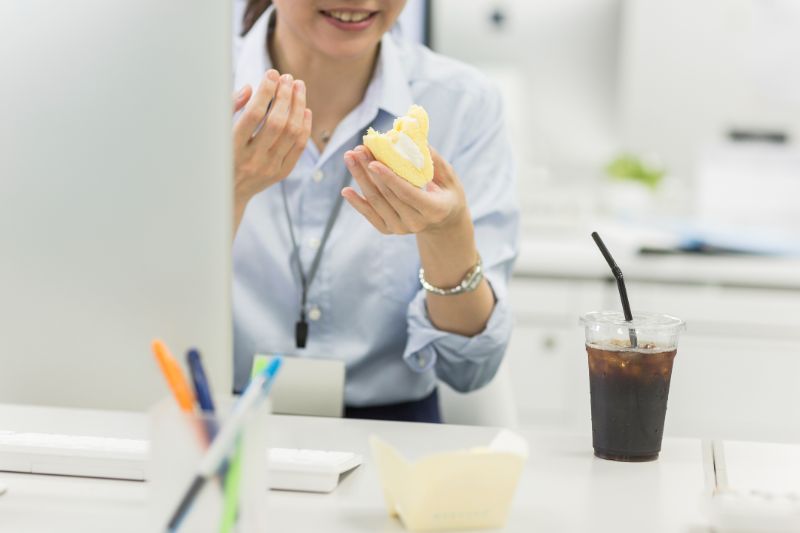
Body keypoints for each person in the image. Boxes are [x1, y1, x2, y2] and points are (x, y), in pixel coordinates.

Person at [231, 0, 519, 423]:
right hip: (217, 421)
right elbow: (137, 328)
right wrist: (230, 194)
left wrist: (447, 234)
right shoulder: (186, 86)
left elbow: (469, 367)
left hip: (393, 434)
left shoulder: (463, 103)